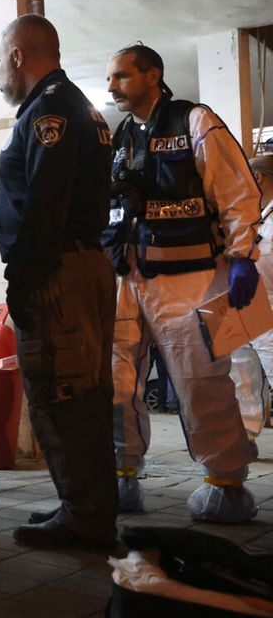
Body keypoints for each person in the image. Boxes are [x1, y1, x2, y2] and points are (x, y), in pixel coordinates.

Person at [104, 43, 262, 523]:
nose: (112, 86)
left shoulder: (195, 121)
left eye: (122, 76)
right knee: (115, 377)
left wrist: (242, 258)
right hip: (127, 275)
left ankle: (225, 484)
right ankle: (122, 475)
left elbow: (236, 191)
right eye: (110, 78)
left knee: (200, 379)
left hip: (190, 278)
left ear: (153, 75)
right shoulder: (121, 137)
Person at [0, 15, 117, 549]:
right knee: (84, 391)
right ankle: (84, 504)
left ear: (19, 55)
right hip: (80, 264)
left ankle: (86, 517)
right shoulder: (78, 105)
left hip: (57, 269)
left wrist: (21, 278)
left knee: (61, 390)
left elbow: (45, 201)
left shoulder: (50, 110)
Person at [238, 155, 273, 438]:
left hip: (271, 313)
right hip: (246, 311)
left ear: (257, 178)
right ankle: (245, 440)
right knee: (244, 382)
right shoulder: (254, 217)